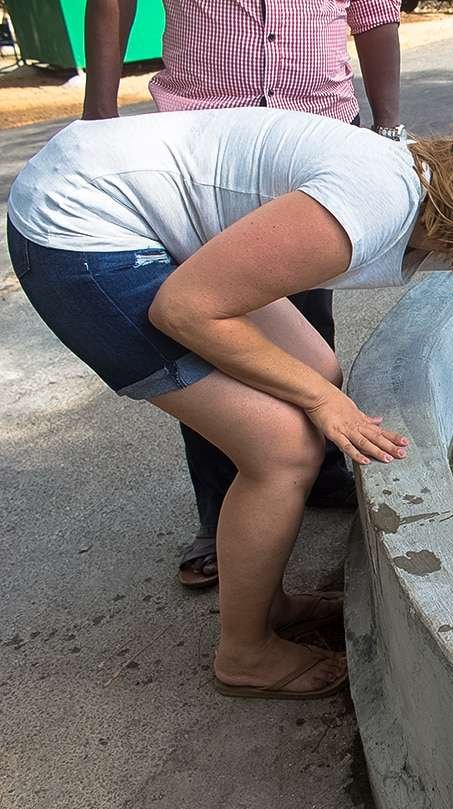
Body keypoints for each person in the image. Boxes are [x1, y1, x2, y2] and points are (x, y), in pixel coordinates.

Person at [8, 102, 453, 699]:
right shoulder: (373, 204)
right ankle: (245, 653)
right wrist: (325, 406)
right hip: (81, 231)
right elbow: (187, 311)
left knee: (313, 361)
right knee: (285, 447)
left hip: (134, 206)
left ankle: (271, 600)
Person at [81, 0, 405, 589]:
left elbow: (374, 13)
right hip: (200, 150)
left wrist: (388, 128)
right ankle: (221, 511)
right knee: (207, 336)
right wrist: (99, 113)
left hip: (314, 132)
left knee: (308, 332)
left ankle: (315, 471)